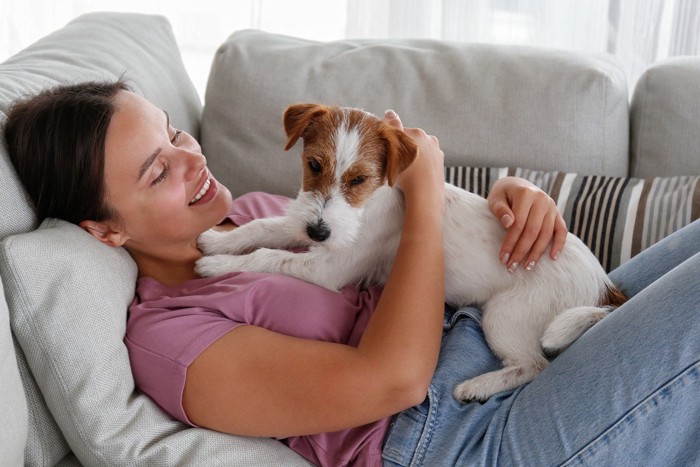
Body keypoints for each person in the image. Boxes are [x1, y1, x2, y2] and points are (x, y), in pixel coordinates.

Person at [4, 80, 698, 467]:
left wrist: (511, 203)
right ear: (104, 229)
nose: (191, 158)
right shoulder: (170, 339)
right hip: (453, 433)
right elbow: (394, 380)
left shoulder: (253, 213)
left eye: (175, 133)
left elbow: (385, 235)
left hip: (492, 312)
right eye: (156, 168)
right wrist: (426, 190)